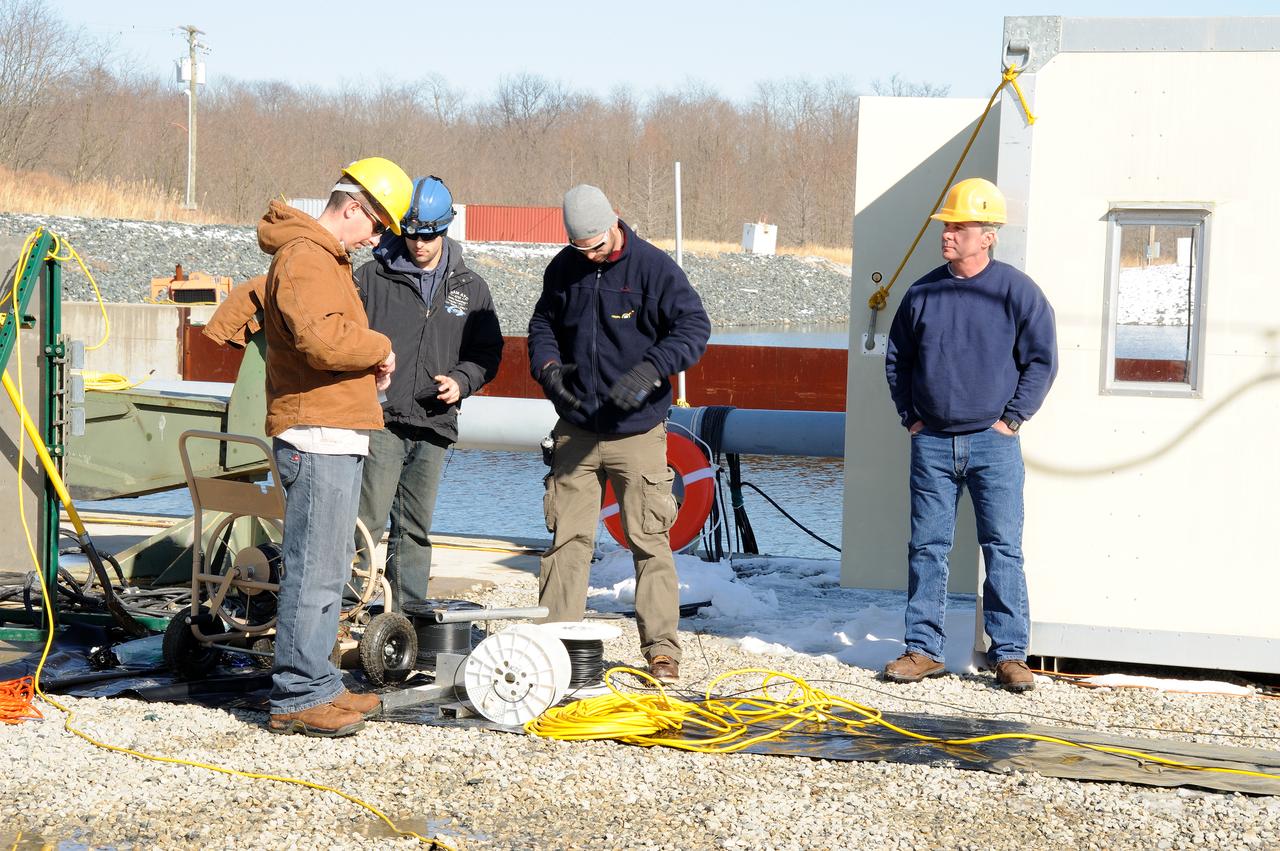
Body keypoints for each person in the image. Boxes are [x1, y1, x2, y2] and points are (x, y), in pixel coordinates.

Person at [528, 184, 711, 683]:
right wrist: (549, 371)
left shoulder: (654, 269)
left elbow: (694, 328)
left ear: (615, 221)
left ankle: (662, 651)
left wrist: (651, 370)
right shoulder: (564, 268)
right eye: (580, 248)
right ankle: (553, 643)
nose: (590, 255)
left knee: (649, 539)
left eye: (596, 246)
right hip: (577, 428)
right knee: (568, 539)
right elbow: (542, 324)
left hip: (638, 430)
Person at [882, 177, 1058, 693]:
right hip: (932, 441)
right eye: (947, 226)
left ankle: (1009, 655)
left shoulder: (1016, 291)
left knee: (1002, 547)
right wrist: (910, 416)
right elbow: (898, 361)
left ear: (988, 235)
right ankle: (923, 650)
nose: (948, 234)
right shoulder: (923, 292)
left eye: (960, 227)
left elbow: (1042, 361)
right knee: (927, 547)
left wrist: (1012, 420)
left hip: (993, 442)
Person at [257, 156, 412, 735]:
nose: (378, 238)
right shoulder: (305, 257)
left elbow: (317, 337)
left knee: (328, 568)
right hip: (315, 433)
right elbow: (321, 340)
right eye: (377, 225)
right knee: (313, 571)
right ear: (354, 207)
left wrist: (370, 355)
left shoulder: (320, 258)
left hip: (333, 430)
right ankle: (297, 694)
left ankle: (318, 682)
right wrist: (379, 346)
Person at [353, 176, 503, 611]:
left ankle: (407, 614)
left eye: (429, 234)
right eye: (412, 234)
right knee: (367, 522)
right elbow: (347, 338)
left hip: (435, 421)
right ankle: (348, 609)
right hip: (381, 418)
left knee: (415, 528)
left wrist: (463, 380)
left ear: (446, 229)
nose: (420, 244)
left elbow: (486, 352)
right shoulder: (371, 277)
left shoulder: (470, 288)